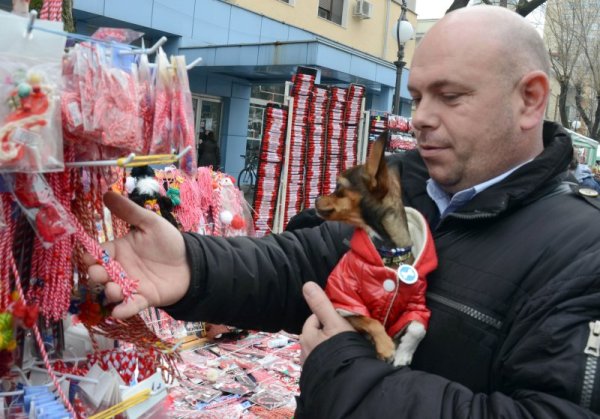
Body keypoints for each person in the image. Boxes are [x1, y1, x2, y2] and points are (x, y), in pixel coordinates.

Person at [84, 6, 600, 418]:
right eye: (418, 95)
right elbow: (303, 263)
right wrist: (194, 265)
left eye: (450, 96)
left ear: (530, 99)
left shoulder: (582, 253)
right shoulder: (398, 183)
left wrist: (344, 372)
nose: (419, 118)